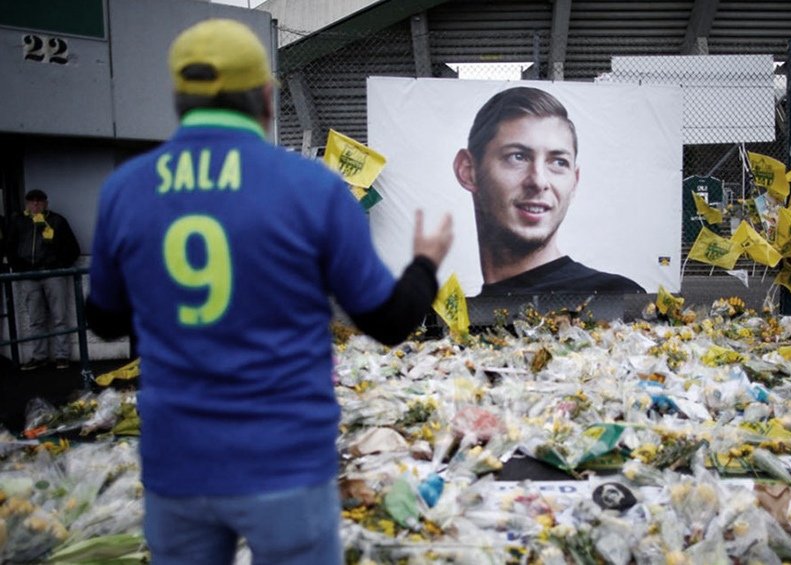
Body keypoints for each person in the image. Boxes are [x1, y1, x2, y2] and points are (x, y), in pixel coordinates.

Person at [85, 19, 452, 565]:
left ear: (179, 98)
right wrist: (426, 261)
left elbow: (106, 321)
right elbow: (390, 321)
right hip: (284, 460)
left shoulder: (125, 189)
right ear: (264, 97)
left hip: (176, 461)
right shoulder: (313, 188)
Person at [452, 86, 644, 296]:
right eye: (517, 157)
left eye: (559, 162)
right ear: (468, 171)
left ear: (575, 181)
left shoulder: (614, 296)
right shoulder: (449, 314)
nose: (538, 181)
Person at [6, 189, 80, 370]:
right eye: (32, 201)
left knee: (59, 316)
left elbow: (73, 249)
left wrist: (58, 265)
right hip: (29, 276)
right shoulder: (18, 222)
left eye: (39, 201)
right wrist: (19, 267)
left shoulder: (57, 221)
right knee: (36, 318)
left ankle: (62, 356)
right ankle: (40, 356)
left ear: (46, 203)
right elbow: (9, 247)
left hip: (52, 274)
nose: (36, 205)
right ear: (27, 203)